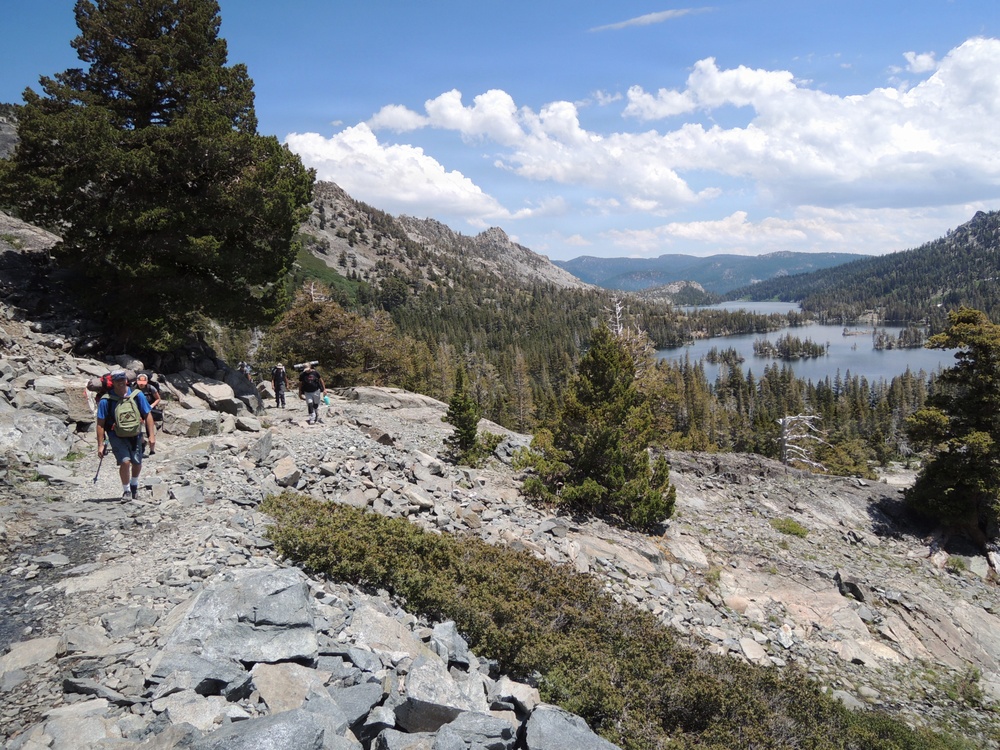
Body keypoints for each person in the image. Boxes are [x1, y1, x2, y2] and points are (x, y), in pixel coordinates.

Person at [96, 370, 156, 500]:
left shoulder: (137, 395)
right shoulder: (106, 400)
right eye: (117, 381)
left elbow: (147, 415)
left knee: (137, 462)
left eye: (122, 380)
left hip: (135, 434)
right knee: (125, 462)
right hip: (115, 434)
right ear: (113, 382)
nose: (121, 383)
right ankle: (127, 491)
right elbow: (100, 423)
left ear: (126, 380)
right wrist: (101, 444)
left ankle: (134, 485)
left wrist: (152, 436)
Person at [134, 373, 162, 452]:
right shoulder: (133, 388)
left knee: (150, 431)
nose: (141, 385)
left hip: (149, 410)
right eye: (140, 383)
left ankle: (152, 450)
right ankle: (142, 443)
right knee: (138, 429)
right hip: (138, 411)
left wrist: (152, 406)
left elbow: (158, 398)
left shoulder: (151, 388)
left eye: (143, 384)